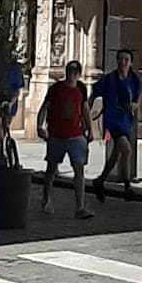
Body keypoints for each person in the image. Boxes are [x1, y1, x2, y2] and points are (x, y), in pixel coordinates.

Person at [36, 60, 93, 220]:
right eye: (70, 71)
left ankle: (80, 206)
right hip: (56, 135)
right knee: (51, 169)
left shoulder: (81, 88)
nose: (72, 75)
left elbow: (85, 109)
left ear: (79, 74)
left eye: (75, 72)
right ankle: (46, 199)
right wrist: (39, 126)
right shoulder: (55, 89)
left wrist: (89, 129)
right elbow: (44, 107)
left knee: (79, 169)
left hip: (76, 135)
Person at [91, 48, 142, 201]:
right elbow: (94, 94)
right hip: (113, 119)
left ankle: (100, 181)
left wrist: (134, 106)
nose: (123, 62)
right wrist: (88, 112)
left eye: (126, 60)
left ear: (130, 62)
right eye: (120, 59)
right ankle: (127, 187)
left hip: (126, 120)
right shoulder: (109, 79)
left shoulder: (134, 80)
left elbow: (137, 99)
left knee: (118, 153)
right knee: (126, 149)